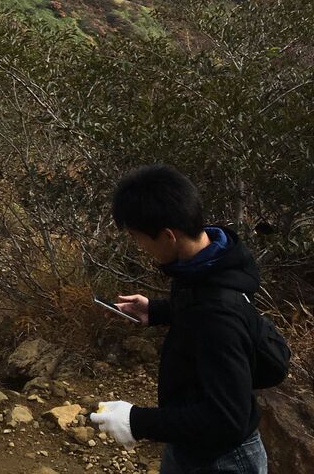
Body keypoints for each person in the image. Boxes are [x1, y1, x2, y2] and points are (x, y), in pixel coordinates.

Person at [90, 164, 269, 474]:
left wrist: (136, 421)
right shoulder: (210, 261)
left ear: (168, 236)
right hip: (189, 440)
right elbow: (200, 304)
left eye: (138, 238)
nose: (139, 247)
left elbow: (227, 418)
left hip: (224, 460)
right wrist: (158, 310)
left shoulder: (218, 315)